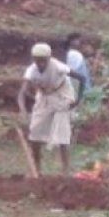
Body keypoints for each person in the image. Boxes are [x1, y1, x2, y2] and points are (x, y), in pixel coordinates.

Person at [17, 43, 85, 176]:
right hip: (44, 97)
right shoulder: (31, 70)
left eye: (43, 60)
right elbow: (21, 93)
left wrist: (77, 100)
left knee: (62, 133)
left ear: (49, 58)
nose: (41, 63)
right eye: (37, 60)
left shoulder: (58, 66)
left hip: (62, 95)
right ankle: (37, 169)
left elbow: (82, 78)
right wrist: (23, 110)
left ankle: (65, 170)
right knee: (35, 134)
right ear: (33, 59)